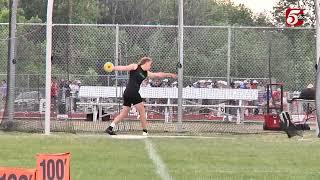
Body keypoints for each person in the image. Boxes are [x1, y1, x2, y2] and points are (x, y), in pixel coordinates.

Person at [105, 57, 177, 135]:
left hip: (129, 93)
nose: (150, 66)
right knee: (142, 110)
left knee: (124, 113)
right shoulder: (135, 67)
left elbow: (158, 75)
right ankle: (145, 131)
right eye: (150, 64)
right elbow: (124, 68)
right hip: (132, 92)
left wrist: (169, 75)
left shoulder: (146, 73)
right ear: (145, 63)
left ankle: (110, 128)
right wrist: (113, 68)